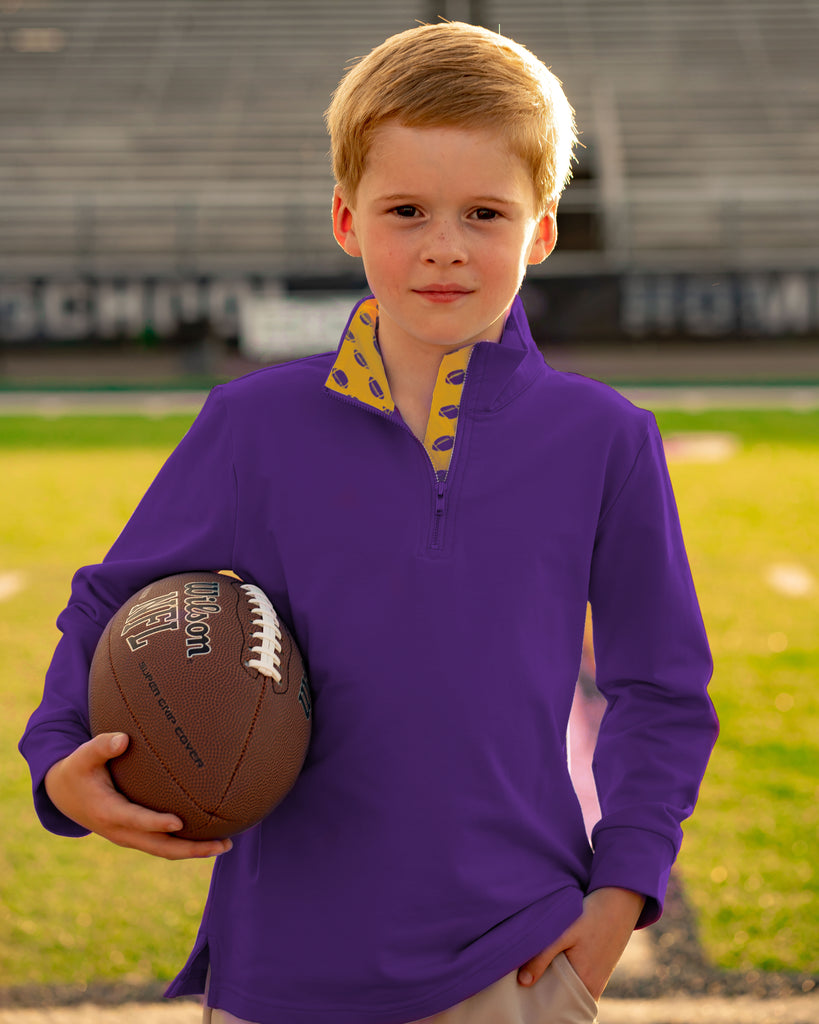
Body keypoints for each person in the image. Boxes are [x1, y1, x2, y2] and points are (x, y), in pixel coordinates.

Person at [19, 21, 718, 1024]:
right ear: (347, 220)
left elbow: (662, 687)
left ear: (544, 228)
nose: (444, 245)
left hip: (513, 957)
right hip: (284, 964)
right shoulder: (253, 425)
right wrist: (59, 757)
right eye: (406, 210)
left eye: (485, 212)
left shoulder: (604, 439)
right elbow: (113, 600)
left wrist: (620, 894)